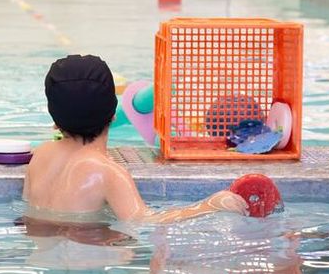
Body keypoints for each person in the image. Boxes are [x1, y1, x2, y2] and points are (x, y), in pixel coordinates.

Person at [23, 54, 249, 223]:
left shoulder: (41, 154)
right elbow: (145, 222)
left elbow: (28, 211)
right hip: (86, 271)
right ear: (113, 115)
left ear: (54, 120)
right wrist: (210, 205)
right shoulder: (107, 172)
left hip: (46, 262)